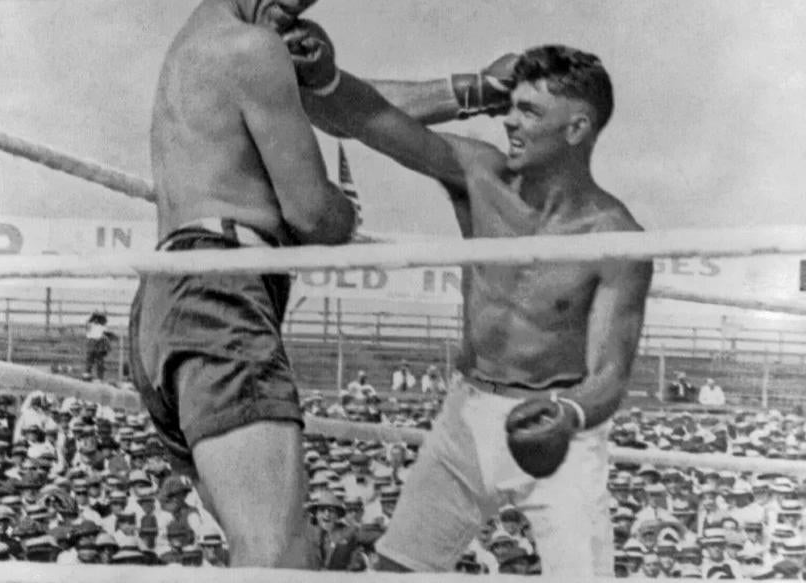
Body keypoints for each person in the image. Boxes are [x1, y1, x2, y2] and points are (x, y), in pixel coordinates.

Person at [285, 25, 652, 577]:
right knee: (396, 570)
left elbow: (609, 375)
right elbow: (368, 120)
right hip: (469, 412)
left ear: (577, 127)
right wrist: (325, 76)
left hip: (560, 426)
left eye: (528, 111)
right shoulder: (480, 174)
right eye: (512, 107)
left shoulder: (616, 237)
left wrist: (569, 414)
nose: (508, 120)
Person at [127, 0, 357, 569]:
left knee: (285, 550)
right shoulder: (251, 49)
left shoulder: (196, 46)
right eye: (288, 3)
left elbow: (374, 110)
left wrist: (468, 92)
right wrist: (347, 213)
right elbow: (312, 213)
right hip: (220, 295)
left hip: (170, 302)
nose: (293, 16)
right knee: (272, 552)